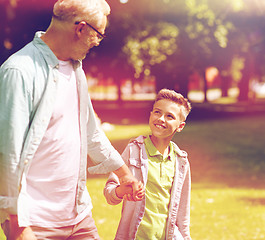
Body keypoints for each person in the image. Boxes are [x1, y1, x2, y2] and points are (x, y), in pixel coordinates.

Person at [0, 0, 144, 239]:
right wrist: (18, 225)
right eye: (98, 34)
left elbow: (91, 131)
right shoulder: (19, 71)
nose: (98, 41)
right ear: (80, 28)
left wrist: (125, 175)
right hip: (35, 224)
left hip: (79, 219)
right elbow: (8, 154)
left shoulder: (76, 69)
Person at [104, 89, 192, 240]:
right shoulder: (133, 150)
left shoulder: (181, 161)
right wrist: (120, 191)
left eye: (169, 116)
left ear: (180, 126)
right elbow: (109, 192)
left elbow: (183, 213)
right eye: (157, 112)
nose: (161, 119)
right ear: (151, 115)